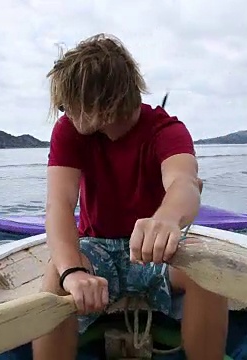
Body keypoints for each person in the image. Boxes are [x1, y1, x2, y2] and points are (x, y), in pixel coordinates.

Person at [31, 33, 229, 360]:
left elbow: (184, 183)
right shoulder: (69, 131)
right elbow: (59, 205)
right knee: (56, 272)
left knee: (209, 273)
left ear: (102, 107)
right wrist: (72, 272)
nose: (65, 112)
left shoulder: (167, 131)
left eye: (69, 105)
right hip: (98, 247)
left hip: (155, 251)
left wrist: (166, 219)